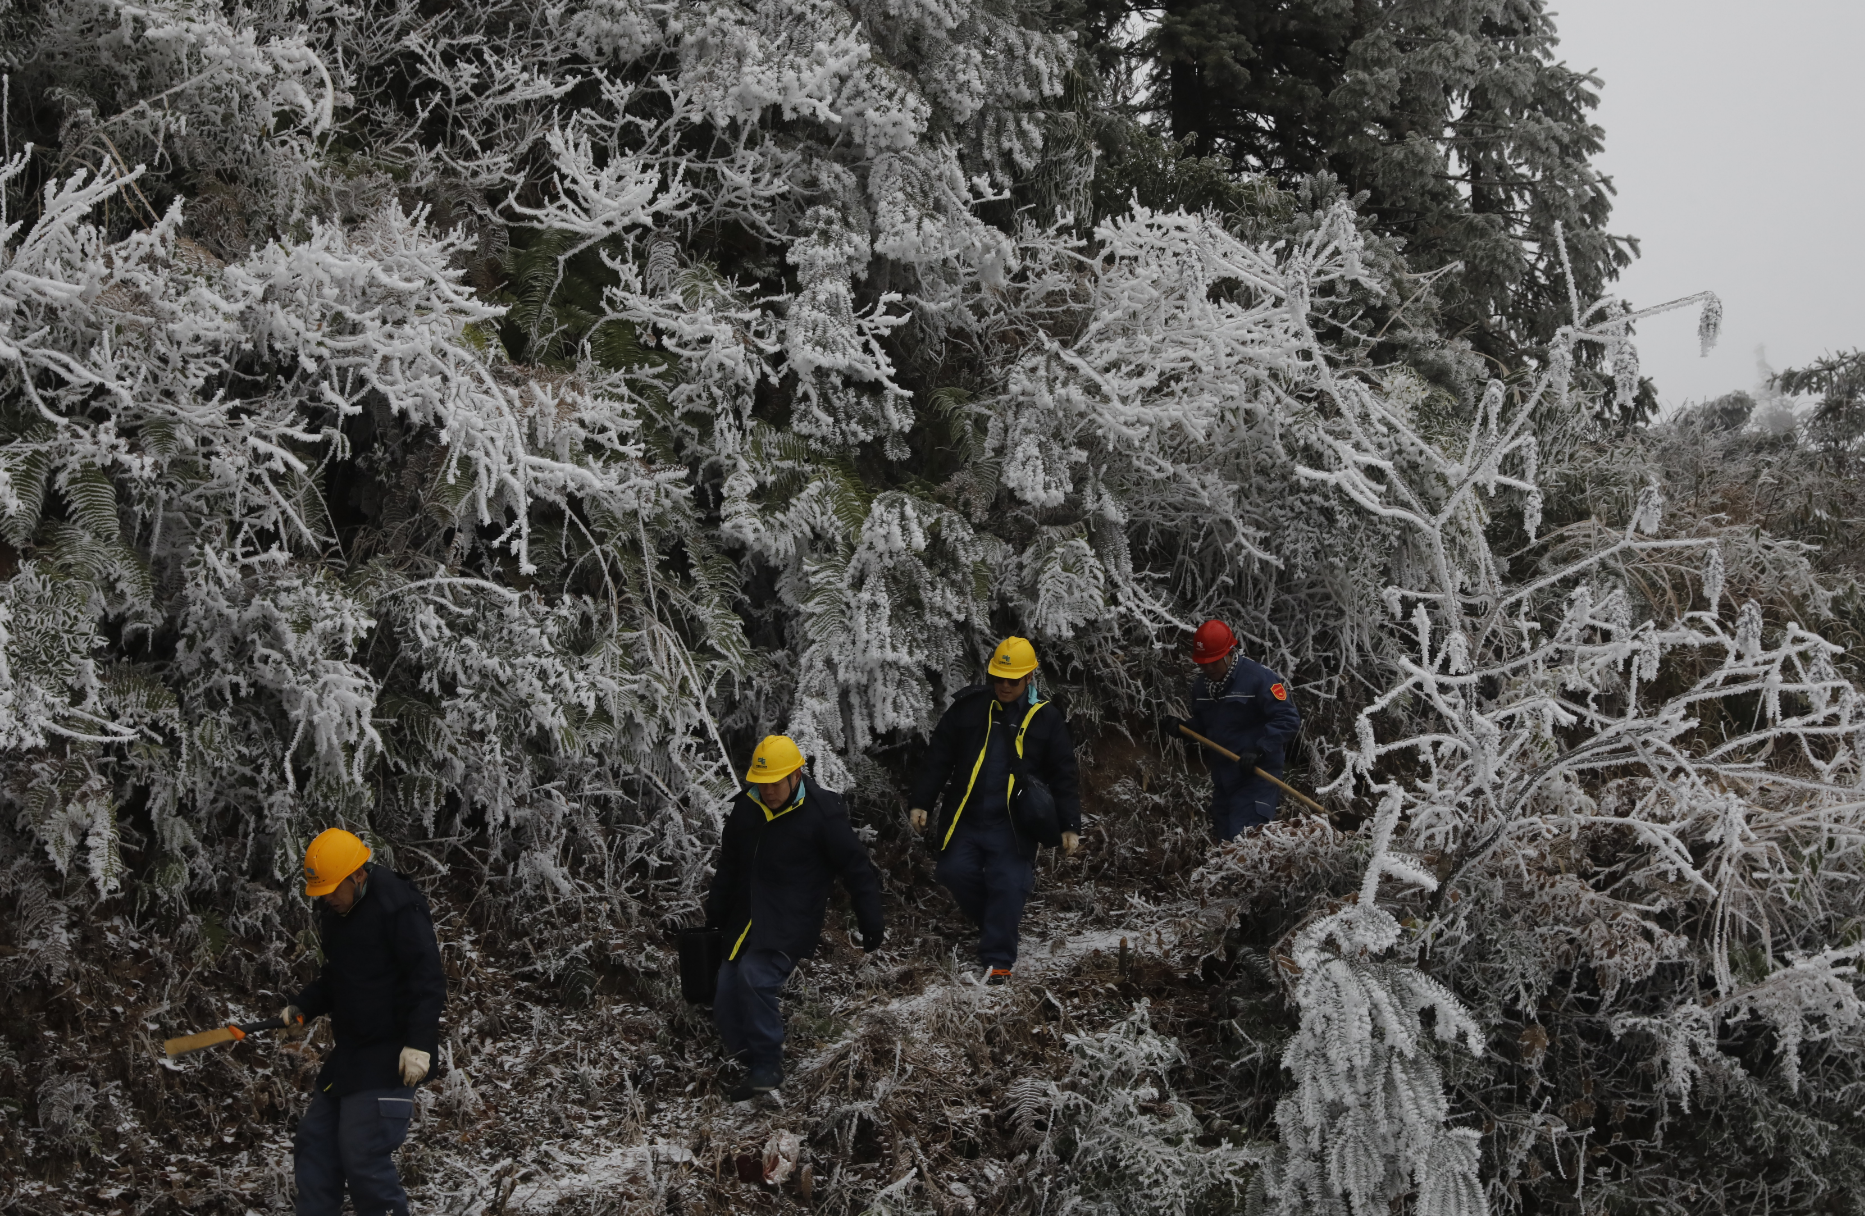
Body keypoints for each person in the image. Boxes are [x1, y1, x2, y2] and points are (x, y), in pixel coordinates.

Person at [704, 735, 885, 1101]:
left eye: (775, 783)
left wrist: (871, 920)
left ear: (796, 775)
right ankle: (749, 1062)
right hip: (745, 918)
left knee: (755, 976)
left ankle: (768, 1066)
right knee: (724, 992)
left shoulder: (822, 814)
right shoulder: (747, 808)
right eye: (761, 783)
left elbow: (856, 867)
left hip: (790, 919)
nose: (768, 791)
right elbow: (730, 865)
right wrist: (715, 916)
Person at [281, 828, 445, 1216]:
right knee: (315, 1144)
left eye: (332, 890)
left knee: (363, 1154)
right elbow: (339, 975)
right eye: (321, 892)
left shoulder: (399, 906)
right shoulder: (337, 911)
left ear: (357, 875)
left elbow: (427, 978)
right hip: (352, 1053)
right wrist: (303, 1006)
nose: (326, 899)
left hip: (392, 1053)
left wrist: (419, 1043)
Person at [908, 636, 1081, 985]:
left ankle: (998, 960)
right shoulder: (968, 708)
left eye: (1012, 681)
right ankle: (996, 923)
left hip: (1013, 824)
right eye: (998, 678)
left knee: (1009, 882)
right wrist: (921, 801)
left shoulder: (1046, 718)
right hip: (967, 816)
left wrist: (1069, 824)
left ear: (1029, 677)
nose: (1004, 686)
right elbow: (938, 756)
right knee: (952, 871)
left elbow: (1064, 774)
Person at [1162, 619, 1301, 840]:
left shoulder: (1259, 679)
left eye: (1213, 662)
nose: (1208, 668)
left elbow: (1288, 718)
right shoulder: (1202, 687)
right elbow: (1206, 725)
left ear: (1229, 653)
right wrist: (1184, 729)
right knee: (1225, 845)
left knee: (1243, 841)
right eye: (1203, 663)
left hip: (1256, 777)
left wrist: (1260, 749)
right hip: (1224, 780)